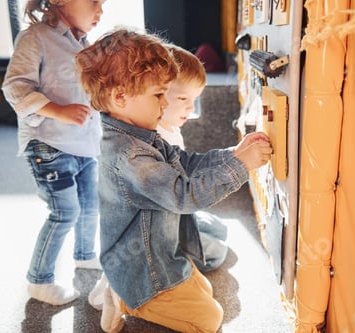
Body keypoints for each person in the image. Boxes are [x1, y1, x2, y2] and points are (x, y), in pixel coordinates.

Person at [76, 28, 272, 333]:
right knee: (210, 319)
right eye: (158, 96)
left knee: (205, 290)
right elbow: (185, 196)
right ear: (119, 96)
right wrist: (239, 166)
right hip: (142, 268)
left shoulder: (142, 135)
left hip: (160, 253)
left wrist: (233, 154)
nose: (165, 105)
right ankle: (125, 297)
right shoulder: (130, 157)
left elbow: (186, 163)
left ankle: (122, 291)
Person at [2, 0, 104, 306]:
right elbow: (15, 88)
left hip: (85, 144)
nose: (100, 10)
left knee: (89, 206)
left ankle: (85, 255)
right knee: (65, 213)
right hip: (48, 144)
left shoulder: (87, 45)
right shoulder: (35, 37)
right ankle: (39, 281)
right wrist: (58, 110)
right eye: (94, 1)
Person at [159, 44, 229, 273]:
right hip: (165, 225)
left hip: (180, 213)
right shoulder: (154, 139)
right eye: (182, 98)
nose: (191, 107)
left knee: (220, 228)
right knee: (218, 252)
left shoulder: (170, 126)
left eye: (194, 99)